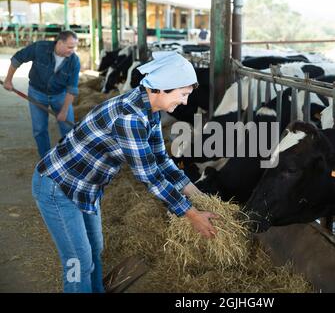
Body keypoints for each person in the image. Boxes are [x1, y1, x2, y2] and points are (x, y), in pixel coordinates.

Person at [31, 51, 218, 293]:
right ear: (161, 89)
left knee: (94, 251)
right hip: (58, 186)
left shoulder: (149, 111)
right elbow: (149, 176)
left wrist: (197, 195)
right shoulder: (130, 117)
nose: (184, 102)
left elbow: (161, 159)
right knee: (78, 259)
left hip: (87, 189)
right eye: (183, 95)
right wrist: (192, 215)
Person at [3, 30, 80, 158]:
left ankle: (70, 158)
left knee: (68, 128)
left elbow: (72, 89)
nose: (72, 50)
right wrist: (8, 80)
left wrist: (64, 111)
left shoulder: (74, 61)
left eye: (74, 47)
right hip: (37, 93)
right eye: (70, 47)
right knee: (39, 129)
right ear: (60, 43)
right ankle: (46, 159)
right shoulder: (40, 48)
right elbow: (18, 58)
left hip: (59, 95)